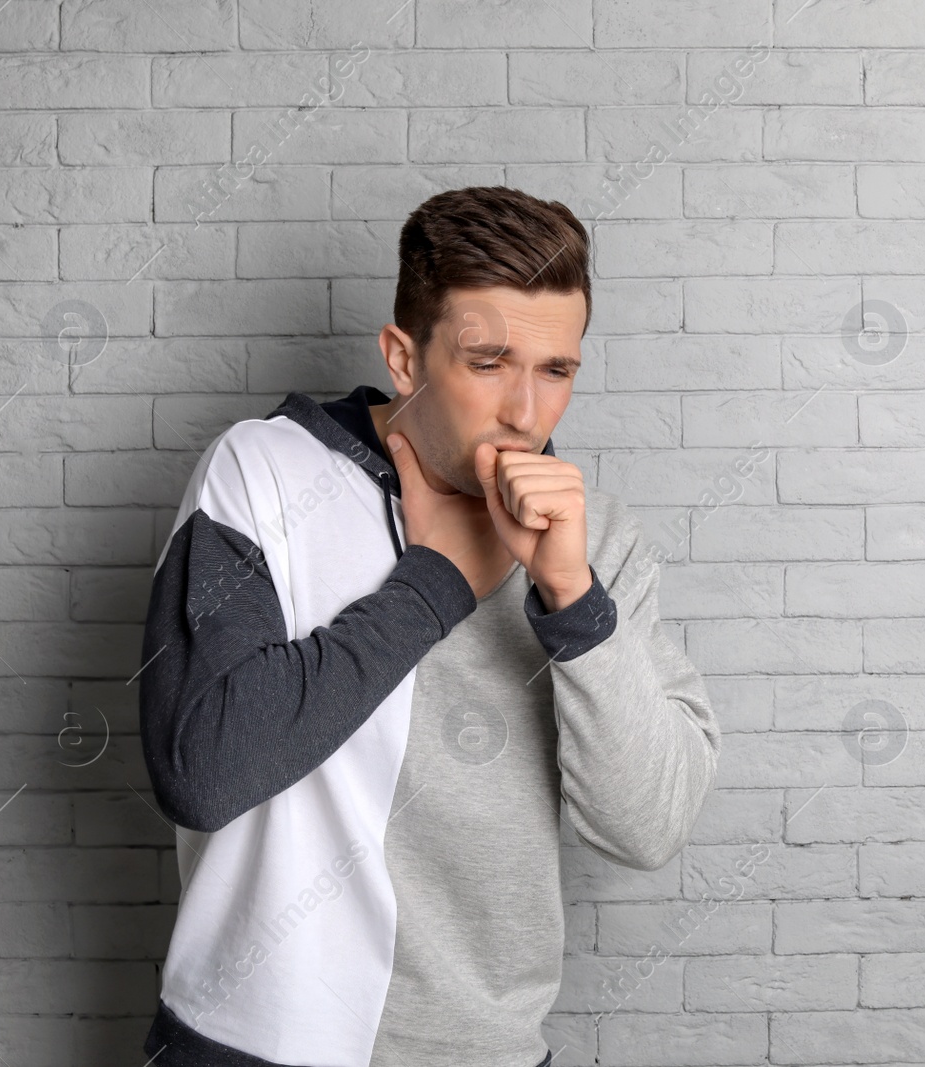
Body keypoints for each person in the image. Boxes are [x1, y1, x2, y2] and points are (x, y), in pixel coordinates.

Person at [137, 185, 722, 1067]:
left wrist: (571, 597)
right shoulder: (261, 472)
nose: (526, 411)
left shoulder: (594, 540)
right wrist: (435, 583)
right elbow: (202, 767)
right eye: (488, 361)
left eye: (556, 369)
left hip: (484, 1052)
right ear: (404, 359)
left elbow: (647, 825)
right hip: (252, 1045)